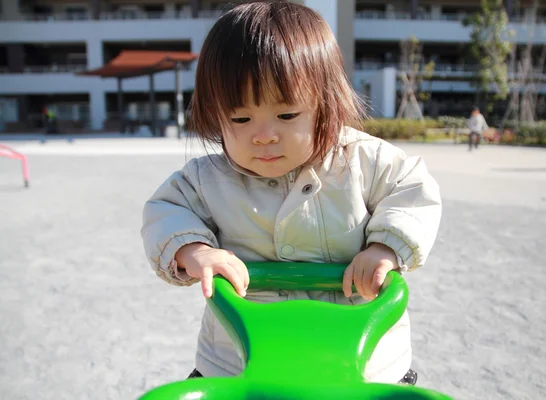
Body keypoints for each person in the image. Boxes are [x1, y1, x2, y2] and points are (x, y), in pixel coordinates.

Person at [141, 1, 442, 387]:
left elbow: (414, 189)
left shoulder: (362, 160)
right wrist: (195, 251)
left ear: (326, 105)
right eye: (240, 118)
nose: (263, 135)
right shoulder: (208, 177)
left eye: (286, 116)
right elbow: (165, 209)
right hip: (239, 361)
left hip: (360, 359)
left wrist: (385, 248)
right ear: (215, 115)